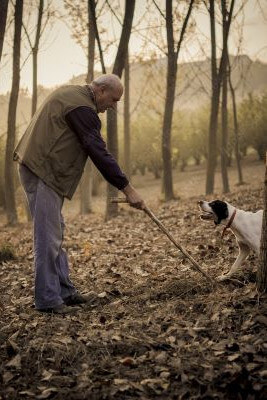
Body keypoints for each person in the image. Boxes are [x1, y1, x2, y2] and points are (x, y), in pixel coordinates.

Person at [14, 74, 145, 315]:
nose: (113, 106)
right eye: (113, 99)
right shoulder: (83, 108)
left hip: (41, 169)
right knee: (47, 237)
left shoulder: (72, 94)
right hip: (42, 170)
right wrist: (127, 188)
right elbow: (97, 150)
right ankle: (47, 300)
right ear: (101, 90)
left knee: (56, 233)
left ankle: (64, 291)